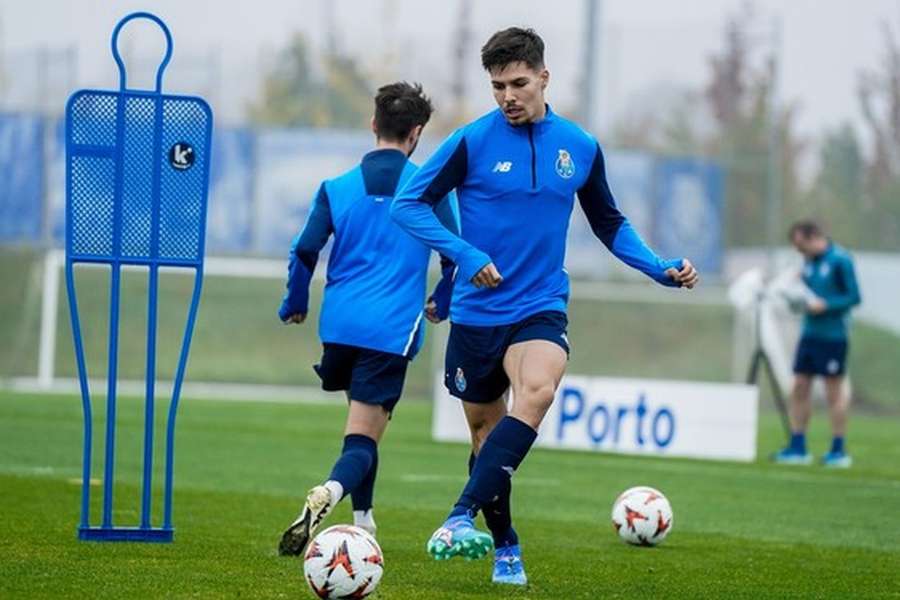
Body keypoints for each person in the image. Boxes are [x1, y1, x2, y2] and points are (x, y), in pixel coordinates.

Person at [390, 27, 698, 585]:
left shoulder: (578, 146)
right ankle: (505, 542)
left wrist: (659, 267)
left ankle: (459, 515)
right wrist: (463, 252)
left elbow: (609, 223)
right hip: (478, 312)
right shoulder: (470, 141)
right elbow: (408, 206)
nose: (508, 95)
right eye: (497, 86)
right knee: (486, 439)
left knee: (539, 389)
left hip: (539, 305)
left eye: (518, 83)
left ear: (543, 77)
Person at [276, 81, 456, 556]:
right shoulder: (431, 189)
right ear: (416, 133)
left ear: (373, 125)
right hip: (390, 329)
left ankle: (364, 520)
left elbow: (305, 249)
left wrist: (294, 301)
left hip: (339, 329)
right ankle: (330, 493)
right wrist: (443, 296)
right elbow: (455, 253)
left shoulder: (335, 188)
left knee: (362, 425)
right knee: (361, 441)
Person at [774, 220, 861, 468]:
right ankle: (798, 446)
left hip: (833, 336)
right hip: (809, 334)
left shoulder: (841, 260)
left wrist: (827, 305)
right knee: (800, 386)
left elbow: (854, 296)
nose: (799, 252)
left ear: (813, 238)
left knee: (834, 391)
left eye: (801, 246)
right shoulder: (807, 264)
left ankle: (838, 449)